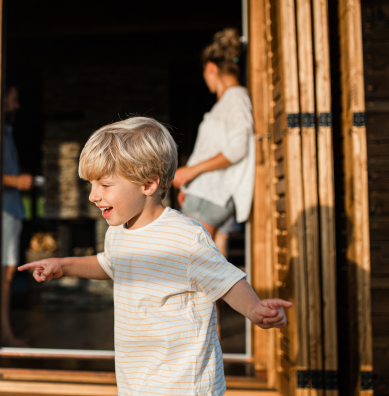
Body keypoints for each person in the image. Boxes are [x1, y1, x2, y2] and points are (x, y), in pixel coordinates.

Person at [19, 116, 291, 395]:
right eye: (91, 185)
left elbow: (227, 281)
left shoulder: (185, 237)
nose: (92, 195)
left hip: (184, 384)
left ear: (148, 184)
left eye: (104, 185)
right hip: (137, 380)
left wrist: (253, 308)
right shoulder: (119, 231)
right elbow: (109, 264)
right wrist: (63, 264)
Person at [172, 28, 255, 258]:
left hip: (210, 195)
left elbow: (237, 149)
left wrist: (190, 172)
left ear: (211, 68)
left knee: (188, 258)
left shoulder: (235, 98)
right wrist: (191, 183)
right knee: (214, 267)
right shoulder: (229, 101)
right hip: (209, 194)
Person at [0, 85, 33, 347]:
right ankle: (2, 333)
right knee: (4, 273)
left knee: (7, 272)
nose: (17, 106)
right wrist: (17, 181)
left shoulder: (5, 133)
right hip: (1, 211)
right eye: (13, 100)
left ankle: (3, 331)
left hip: (12, 211)